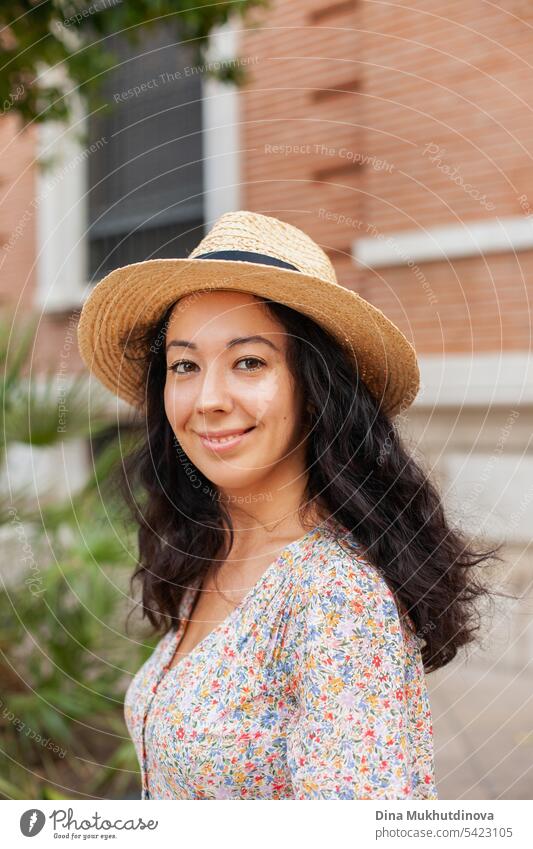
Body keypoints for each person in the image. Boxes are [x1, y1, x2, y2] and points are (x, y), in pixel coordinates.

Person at [77, 210, 501, 800]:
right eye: (184, 365)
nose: (208, 399)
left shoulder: (336, 601)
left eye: (248, 361)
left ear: (314, 386)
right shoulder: (215, 548)